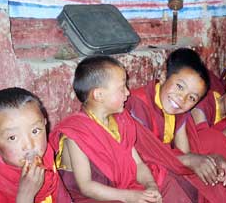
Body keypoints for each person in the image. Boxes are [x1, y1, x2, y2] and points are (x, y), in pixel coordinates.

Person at [126, 48, 226, 203]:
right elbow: (138, 157)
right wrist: (192, 160)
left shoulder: (181, 113)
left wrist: (213, 159)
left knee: (208, 177)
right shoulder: (135, 104)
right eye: (180, 87)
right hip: (142, 171)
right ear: (162, 75)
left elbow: (185, 152)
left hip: (169, 162)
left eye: (192, 98)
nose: (182, 98)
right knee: (181, 176)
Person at [49, 55, 192, 202]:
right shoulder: (77, 132)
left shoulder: (122, 121)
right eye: (122, 88)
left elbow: (138, 164)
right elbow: (87, 187)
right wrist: (128, 196)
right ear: (99, 95)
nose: (128, 92)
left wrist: (151, 186)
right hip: (95, 197)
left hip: (123, 188)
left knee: (167, 183)